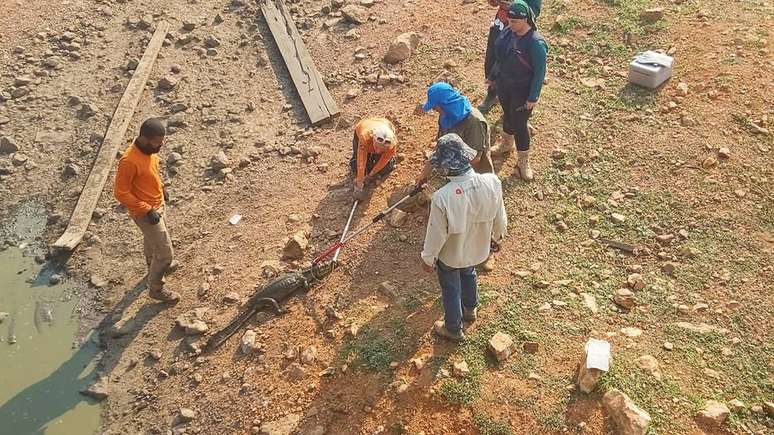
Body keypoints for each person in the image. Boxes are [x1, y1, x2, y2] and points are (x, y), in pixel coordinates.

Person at [420, 134, 508, 341]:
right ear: (467, 158)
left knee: (451, 287)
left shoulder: (443, 197)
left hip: (451, 254)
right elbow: (500, 215)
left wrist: (427, 258)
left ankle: (453, 328)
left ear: (445, 167)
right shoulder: (492, 181)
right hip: (478, 248)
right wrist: (498, 238)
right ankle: (470, 308)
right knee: (469, 273)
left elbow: (436, 233)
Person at [114, 118, 180, 303]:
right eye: (157, 142)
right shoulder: (128, 161)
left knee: (152, 242)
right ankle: (156, 289)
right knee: (166, 254)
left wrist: (162, 187)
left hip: (157, 205)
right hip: (145, 213)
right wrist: (146, 209)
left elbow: (152, 172)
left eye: (161, 141)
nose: (160, 145)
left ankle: (153, 266)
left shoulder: (150, 151)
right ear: (144, 138)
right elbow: (120, 193)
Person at [488, 0, 548, 181]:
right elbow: (500, 58)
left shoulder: (536, 43)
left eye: (514, 21)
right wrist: (492, 77)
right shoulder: (508, 34)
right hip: (505, 85)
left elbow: (539, 73)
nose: (510, 24)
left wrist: (533, 96)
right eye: (509, 20)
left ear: (525, 20)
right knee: (507, 114)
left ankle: (523, 161)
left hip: (522, 90)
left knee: (520, 124)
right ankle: (506, 144)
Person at [415, 82, 493, 185]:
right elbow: (440, 147)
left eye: (435, 106)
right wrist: (424, 174)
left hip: (475, 173)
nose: (433, 109)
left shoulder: (474, 121)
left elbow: (476, 158)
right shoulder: (445, 116)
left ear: (445, 104)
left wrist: (447, 171)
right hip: (455, 169)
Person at [479, 0, 542, 114]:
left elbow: (534, 11)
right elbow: (493, 4)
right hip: (501, 25)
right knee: (491, 60)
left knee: (515, 68)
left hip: (519, 32)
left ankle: (517, 107)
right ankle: (492, 94)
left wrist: (512, 8)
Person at [350, 117, 398, 201]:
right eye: (376, 147)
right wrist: (359, 184)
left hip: (384, 123)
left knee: (385, 167)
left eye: (382, 149)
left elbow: (384, 160)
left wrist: (371, 174)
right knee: (356, 166)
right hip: (364, 126)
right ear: (373, 139)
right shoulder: (364, 137)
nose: (378, 151)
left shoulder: (391, 146)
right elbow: (361, 161)